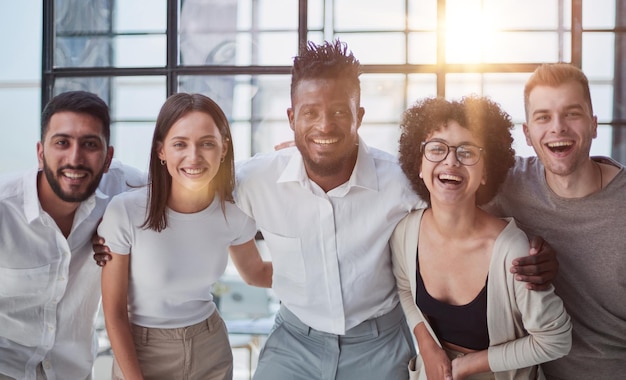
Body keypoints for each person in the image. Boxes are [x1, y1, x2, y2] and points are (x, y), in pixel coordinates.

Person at [93, 39, 558, 379]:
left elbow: (475, 185)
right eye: (310, 112)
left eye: (339, 112)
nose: (325, 125)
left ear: (359, 116)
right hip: (295, 342)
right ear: (291, 118)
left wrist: (532, 241)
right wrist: (106, 219)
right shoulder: (255, 180)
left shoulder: (401, 181)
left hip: (381, 344)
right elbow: (180, 181)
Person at [391, 96, 572, 380]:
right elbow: (404, 288)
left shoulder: (511, 250)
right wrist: (426, 344)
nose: (450, 160)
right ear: (419, 164)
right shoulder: (405, 232)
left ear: (485, 171)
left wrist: (467, 365)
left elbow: (555, 339)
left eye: (467, 152)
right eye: (437, 149)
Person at [97, 93, 272, 380]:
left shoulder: (234, 213)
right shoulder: (127, 211)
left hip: (209, 346)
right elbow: (114, 312)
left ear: (223, 148)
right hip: (142, 351)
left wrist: (328, 272)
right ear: (161, 150)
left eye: (207, 143)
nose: (194, 157)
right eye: (180, 144)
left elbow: (257, 273)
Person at [485, 63, 626, 379]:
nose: (557, 127)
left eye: (572, 114)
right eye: (543, 117)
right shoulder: (506, 184)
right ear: (527, 133)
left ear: (593, 125)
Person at [0, 91, 145, 380]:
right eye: (62, 143)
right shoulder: (5, 208)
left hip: (73, 373)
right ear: (41, 153)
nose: (75, 158)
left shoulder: (126, 193)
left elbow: (183, 186)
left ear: (108, 158)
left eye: (90, 144)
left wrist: (118, 226)